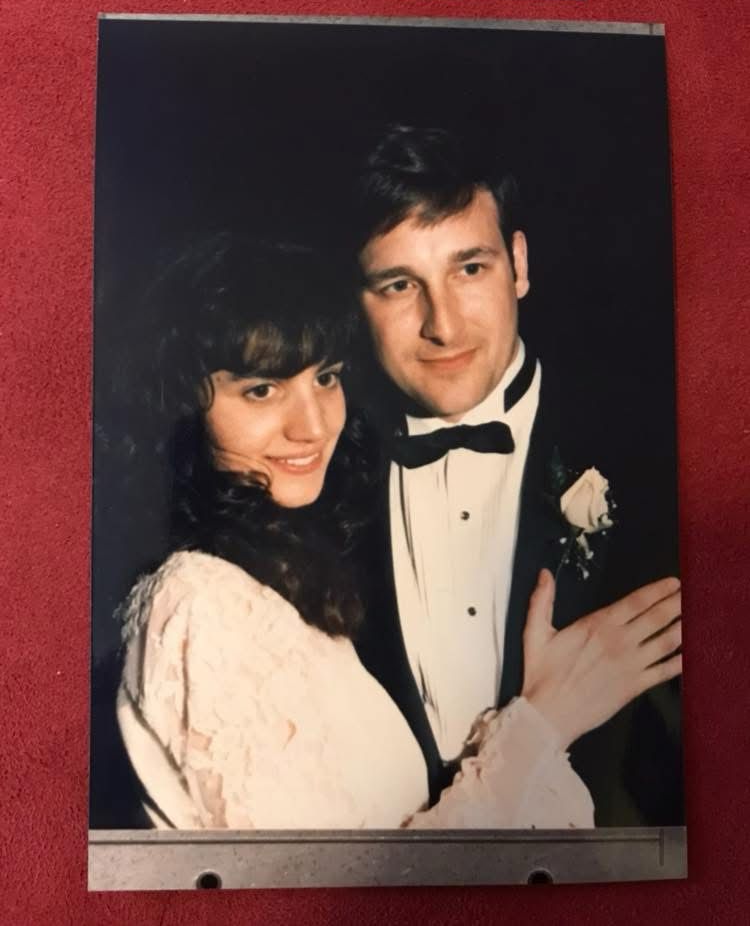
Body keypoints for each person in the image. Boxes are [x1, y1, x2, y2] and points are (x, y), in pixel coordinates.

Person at [113, 234, 680, 830]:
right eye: (261, 389)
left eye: (325, 378)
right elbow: (335, 882)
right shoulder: (199, 605)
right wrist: (545, 721)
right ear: (179, 408)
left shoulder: (277, 581)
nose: (313, 426)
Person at [349, 125, 684, 825]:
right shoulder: (320, 478)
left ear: (519, 265)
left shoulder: (660, 459)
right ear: (359, 301)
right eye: (400, 284)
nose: (443, 325)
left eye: (469, 269)